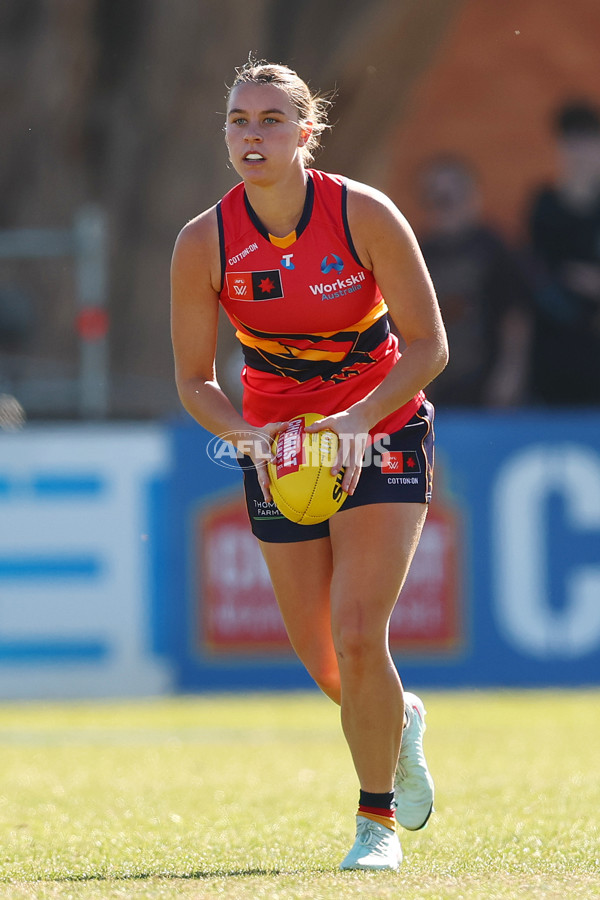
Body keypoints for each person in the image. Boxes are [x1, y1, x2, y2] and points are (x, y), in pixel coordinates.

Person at [170, 60, 448, 872]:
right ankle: (402, 722)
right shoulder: (203, 241)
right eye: (238, 120)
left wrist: (359, 419)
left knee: (360, 633)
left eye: (270, 120)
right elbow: (194, 380)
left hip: (381, 427)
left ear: (306, 132)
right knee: (330, 665)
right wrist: (248, 437)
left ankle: (375, 825)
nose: (251, 135)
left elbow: (429, 346)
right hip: (281, 450)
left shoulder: (364, 214)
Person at [417, 155, 532, 407]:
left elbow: (515, 318)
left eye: (450, 197)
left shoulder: (495, 248)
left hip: (488, 384)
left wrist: (510, 372)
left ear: (471, 197)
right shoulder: (417, 252)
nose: (443, 206)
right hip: (437, 388)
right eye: (435, 199)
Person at [527, 100, 600, 405]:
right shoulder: (543, 207)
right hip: (554, 355)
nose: (580, 153)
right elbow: (534, 275)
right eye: (571, 142)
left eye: (588, 142)